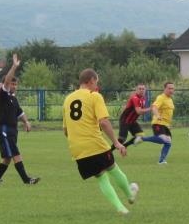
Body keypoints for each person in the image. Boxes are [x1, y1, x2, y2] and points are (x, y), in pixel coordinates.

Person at [63, 69, 139, 215]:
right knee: (113, 169)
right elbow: (103, 122)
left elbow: (66, 131)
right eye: (96, 82)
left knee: (101, 178)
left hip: (77, 149)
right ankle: (130, 195)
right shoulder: (94, 96)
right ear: (91, 80)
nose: (96, 85)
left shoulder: (68, 100)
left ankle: (120, 208)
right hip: (95, 144)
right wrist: (116, 142)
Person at [0, 54, 40, 185]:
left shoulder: (13, 98)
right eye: (12, 84)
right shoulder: (3, 95)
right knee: (15, 154)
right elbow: (7, 81)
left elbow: (20, 112)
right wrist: (14, 66)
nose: (14, 86)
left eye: (15, 84)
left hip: (13, 130)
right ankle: (26, 179)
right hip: (5, 130)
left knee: (7, 158)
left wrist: (26, 121)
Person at [140, 81, 175, 164]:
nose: (171, 90)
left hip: (165, 124)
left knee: (168, 142)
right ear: (165, 89)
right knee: (163, 139)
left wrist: (168, 125)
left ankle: (161, 160)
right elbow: (154, 107)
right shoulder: (161, 97)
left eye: (172, 89)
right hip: (158, 123)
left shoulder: (170, 99)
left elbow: (168, 113)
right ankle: (142, 138)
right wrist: (157, 115)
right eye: (169, 88)